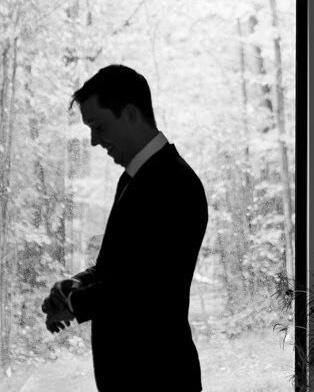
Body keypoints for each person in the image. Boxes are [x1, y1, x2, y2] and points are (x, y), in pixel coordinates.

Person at [41, 64, 209, 392]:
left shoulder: (176, 184)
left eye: (99, 126)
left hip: (158, 377)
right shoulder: (134, 178)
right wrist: (72, 284)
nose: (92, 141)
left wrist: (75, 304)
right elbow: (117, 269)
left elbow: (147, 286)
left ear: (130, 114)